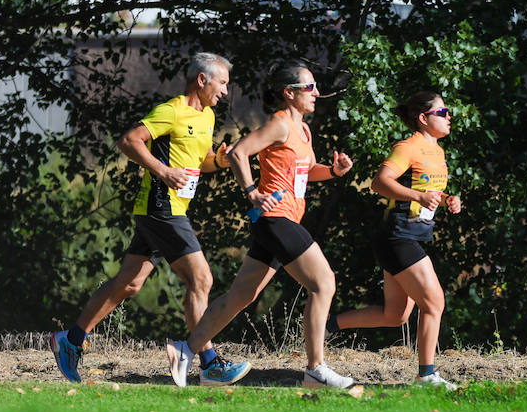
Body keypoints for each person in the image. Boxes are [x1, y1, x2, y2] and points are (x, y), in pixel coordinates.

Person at [50, 52, 250, 388]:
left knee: (130, 282)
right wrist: (161, 169)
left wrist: (220, 159)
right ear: (202, 80)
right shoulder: (170, 111)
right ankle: (209, 361)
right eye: (222, 83)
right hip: (161, 208)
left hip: (168, 210)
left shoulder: (207, 116)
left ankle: (70, 340)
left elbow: (200, 162)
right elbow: (129, 141)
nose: (226, 92)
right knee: (201, 280)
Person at [165, 62, 358, 391]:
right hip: (275, 219)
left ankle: (185, 350)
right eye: (309, 87)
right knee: (324, 283)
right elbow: (240, 153)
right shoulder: (279, 125)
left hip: (281, 221)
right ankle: (316, 370)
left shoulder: (304, 131)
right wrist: (253, 192)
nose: (316, 93)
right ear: (289, 93)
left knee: (241, 295)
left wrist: (334, 171)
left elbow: (305, 171)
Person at [329, 90, 462, 389]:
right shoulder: (408, 147)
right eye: (442, 112)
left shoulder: (437, 152)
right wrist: (419, 196)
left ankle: (326, 326)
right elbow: (380, 182)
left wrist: (447, 200)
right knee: (434, 302)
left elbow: (426, 192)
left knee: (395, 315)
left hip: (408, 236)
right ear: (423, 119)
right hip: (397, 237)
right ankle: (426, 375)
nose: (449, 116)